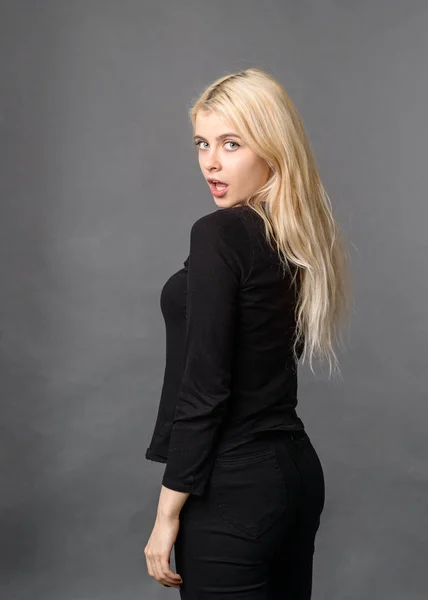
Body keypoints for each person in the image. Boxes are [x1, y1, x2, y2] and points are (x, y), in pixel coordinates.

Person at [144, 67, 351, 599]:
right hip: (294, 475)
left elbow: (207, 386)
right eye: (202, 143)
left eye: (231, 143)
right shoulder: (293, 238)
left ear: (272, 149)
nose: (210, 161)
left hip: (233, 485)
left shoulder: (219, 233)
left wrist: (167, 514)